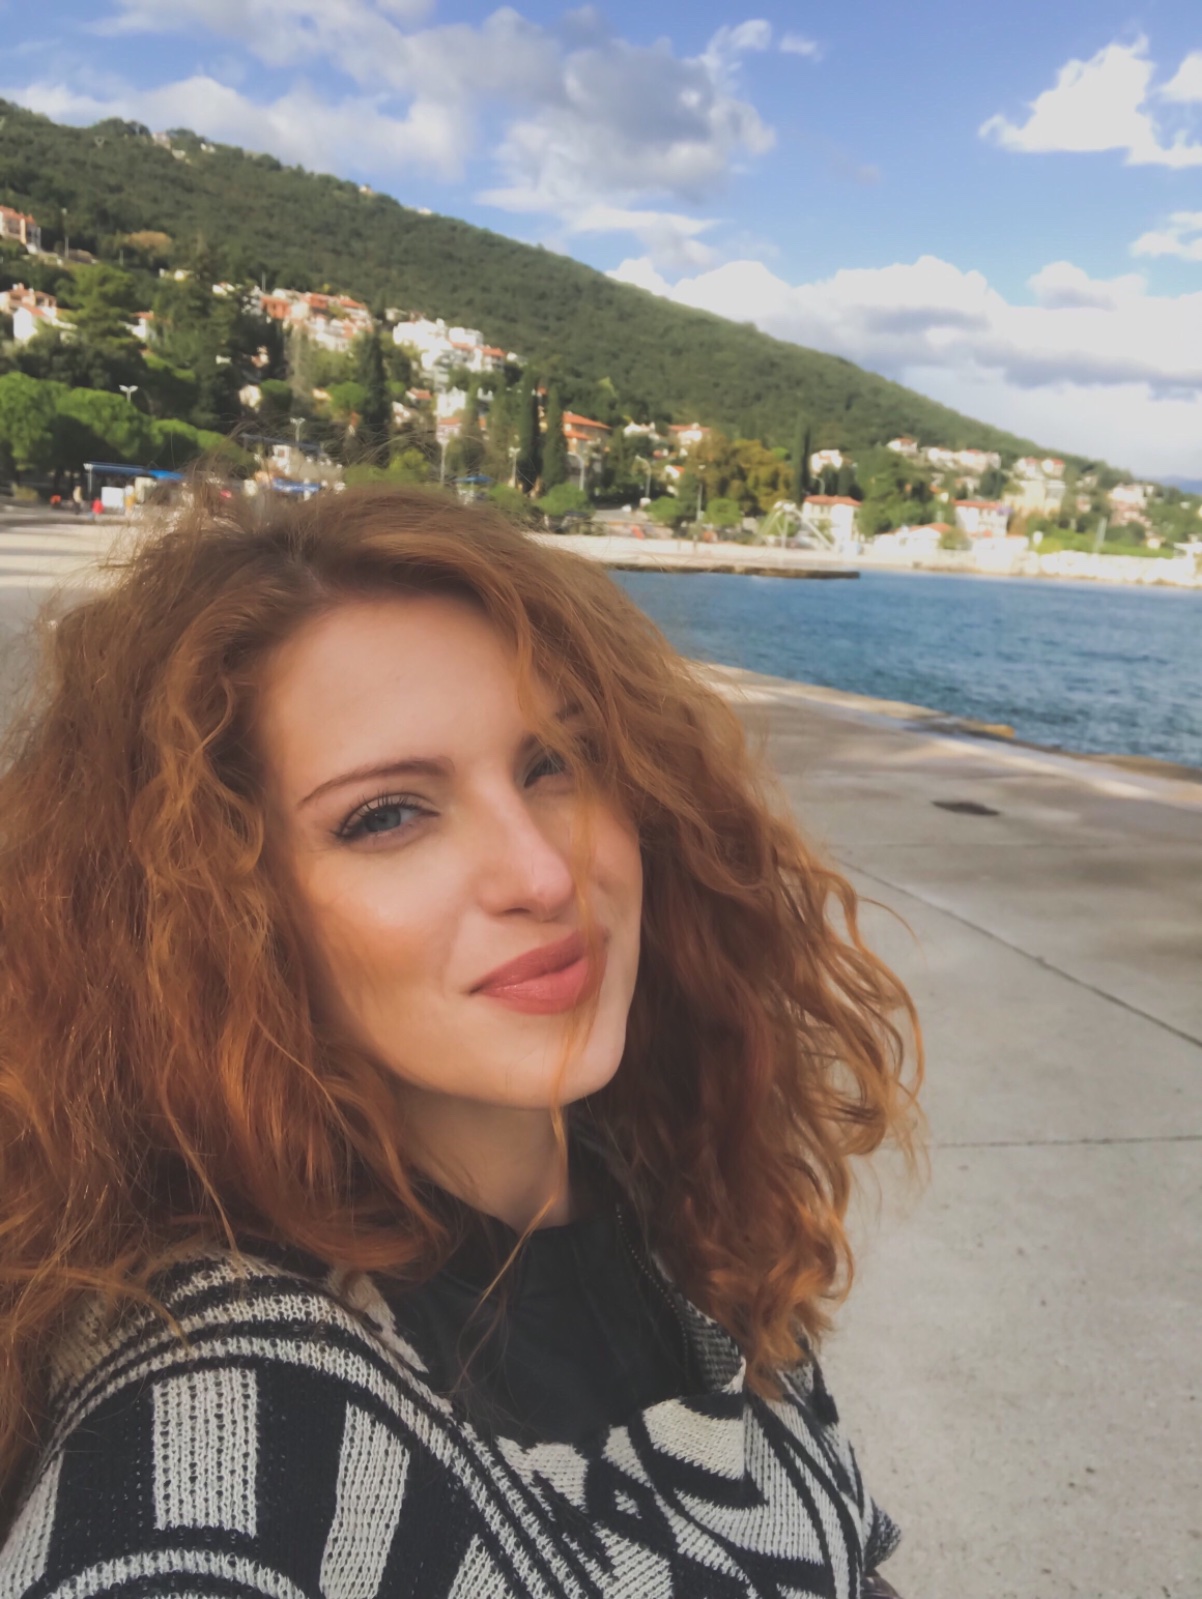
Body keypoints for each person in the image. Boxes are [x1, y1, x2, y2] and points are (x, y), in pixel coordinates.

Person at [0, 486, 921, 1596]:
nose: (542, 873)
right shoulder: (221, 1421)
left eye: (555, 763)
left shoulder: (665, 1205)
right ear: (213, 910)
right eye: (387, 814)